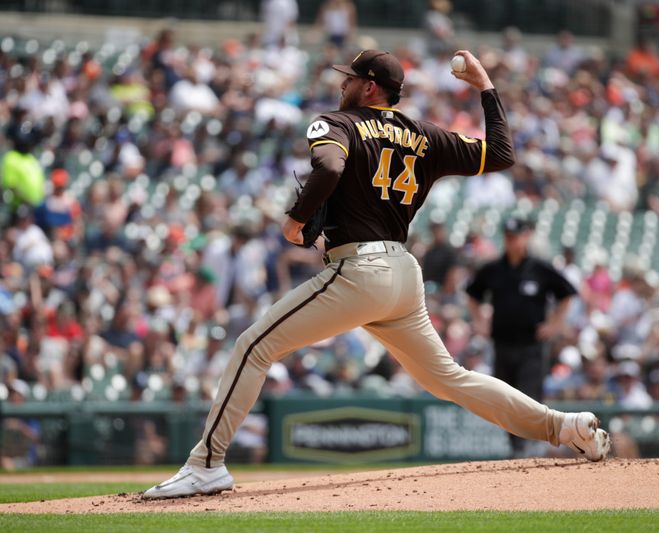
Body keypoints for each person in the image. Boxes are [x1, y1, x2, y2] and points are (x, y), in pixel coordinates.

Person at [144, 48, 610, 499]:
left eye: (349, 78)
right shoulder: (425, 135)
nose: (341, 83)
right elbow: (503, 154)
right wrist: (486, 87)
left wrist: (295, 218)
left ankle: (206, 465)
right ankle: (564, 427)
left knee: (253, 347)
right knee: (451, 378)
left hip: (359, 271)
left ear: (369, 87)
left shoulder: (337, 122)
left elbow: (327, 166)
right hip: (403, 277)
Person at [466, 217, 577, 456]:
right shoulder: (494, 269)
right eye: (507, 236)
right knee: (506, 398)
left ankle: (530, 445)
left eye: (515, 236)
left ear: (526, 236)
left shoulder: (540, 268)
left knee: (528, 396)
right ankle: (516, 447)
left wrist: (554, 324)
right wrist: (480, 322)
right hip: (502, 344)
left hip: (531, 346)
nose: (511, 241)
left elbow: (567, 293)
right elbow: (472, 294)